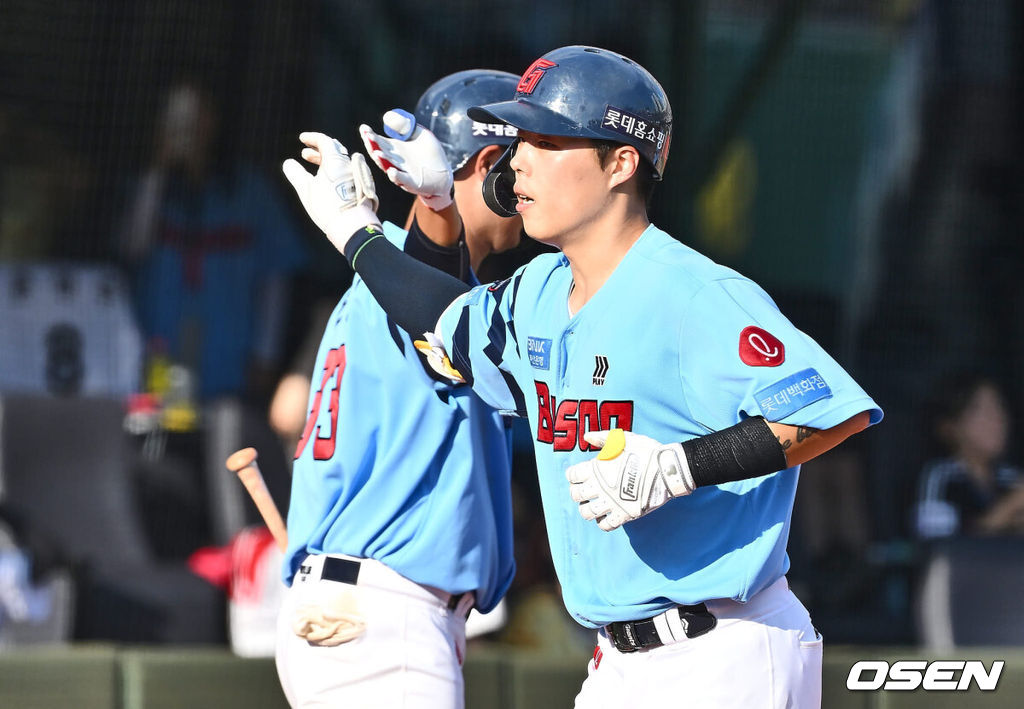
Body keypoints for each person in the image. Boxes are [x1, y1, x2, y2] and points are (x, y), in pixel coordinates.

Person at [282, 46, 883, 708]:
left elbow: (827, 412)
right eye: (518, 141)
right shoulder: (538, 290)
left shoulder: (690, 290)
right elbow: (442, 322)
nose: (519, 161)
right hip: (616, 663)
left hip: (722, 649)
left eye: (546, 140)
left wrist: (682, 466)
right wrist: (362, 231)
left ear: (622, 161)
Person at [275, 70, 523, 708]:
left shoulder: (385, 274)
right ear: (491, 161)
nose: (530, 185)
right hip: (383, 618)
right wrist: (437, 210)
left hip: (361, 610)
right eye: (524, 161)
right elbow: (428, 287)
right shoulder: (392, 271)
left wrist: (434, 209)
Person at [120, 77, 308, 405]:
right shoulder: (152, 190)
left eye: (196, 115)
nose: (188, 128)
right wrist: (158, 167)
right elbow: (131, 247)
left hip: (228, 356)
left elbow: (276, 277)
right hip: (159, 349)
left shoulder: (251, 192)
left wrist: (265, 352)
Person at [914, 371, 1024, 539]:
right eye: (981, 410)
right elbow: (937, 549)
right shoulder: (940, 478)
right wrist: (1007, 509)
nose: (997, 419)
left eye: (999, 407)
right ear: (950, 426)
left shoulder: (1010, 478)